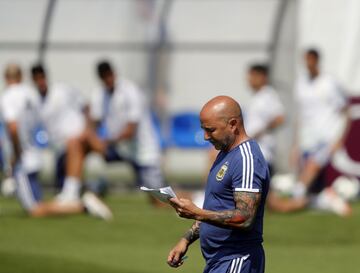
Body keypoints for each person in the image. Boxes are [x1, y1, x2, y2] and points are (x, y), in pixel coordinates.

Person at [167, 96, 269, 273]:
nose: (206, 137)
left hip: (237, 259)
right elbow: (216, 207)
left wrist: (196, 212)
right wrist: (185, 240)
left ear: (233, 124)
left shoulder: (246, 159)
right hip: (219, 262)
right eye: (203, 130)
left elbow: (245, 217)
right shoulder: (224, 153)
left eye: (211, 130)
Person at [30, 64, 113, 220]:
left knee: (75, 142)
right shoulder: (35, 102)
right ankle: (85, 198)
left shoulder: (62, 90)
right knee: (54, 204)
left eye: (42, 77)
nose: (40, 82)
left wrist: (88, 130)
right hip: (61, 152)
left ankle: (75, 193)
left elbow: (85, 106)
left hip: (76, 140)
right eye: (37, 79)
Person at [89, 60, 165, 205]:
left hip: (143, 151)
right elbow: (94, 121)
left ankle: (196, 198)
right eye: (104, 77)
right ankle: (83, 188)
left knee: (160, 201)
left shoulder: (130, 90)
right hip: (121, 149)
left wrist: (106, 141)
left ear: (113, 73)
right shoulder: (100, 94)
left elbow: (131, 130)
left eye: (109, 75)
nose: (107, 80)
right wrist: (92, 137)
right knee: (82, 141)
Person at [244, 64, 285, 174]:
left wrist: (259, 132)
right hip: (251, 149)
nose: (249, 80)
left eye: (253, 76)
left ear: (263, 77)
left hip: (262, 151)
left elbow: (280, 118)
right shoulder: (256, 97)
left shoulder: (269, 95)